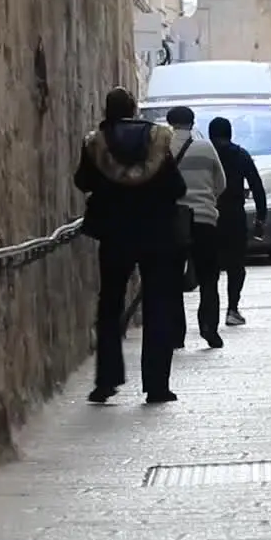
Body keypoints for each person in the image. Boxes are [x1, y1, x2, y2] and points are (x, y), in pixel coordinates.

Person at [74, 87, 188, 404]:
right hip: (157, 233)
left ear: (106, 109)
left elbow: (82, 181)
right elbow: (177, 187)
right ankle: (156, 385)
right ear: (134, 109)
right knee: (158, 305)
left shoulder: (96, 142)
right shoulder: (157, 140)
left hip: (114, 234)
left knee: (109, 304)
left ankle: (106, 380)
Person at [166, 106, 228, 348]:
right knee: (209, 277)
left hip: (173, 221)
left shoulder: (163, 149)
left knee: (171, 278)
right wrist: (206, 197)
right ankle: (209, 327)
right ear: (192, 123)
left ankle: (176, 333)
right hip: (204, 219)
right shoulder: (206, 147)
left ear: (170, 122)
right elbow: (220, 183)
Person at [207, 116, 267, 326]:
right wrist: (261, 217)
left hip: (209, 215)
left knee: (210, 266)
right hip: (234, 214)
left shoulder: (206, 154)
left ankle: (209, 312)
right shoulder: (240, 154)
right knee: (236, 265)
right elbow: (257, 186)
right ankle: (232, 309)